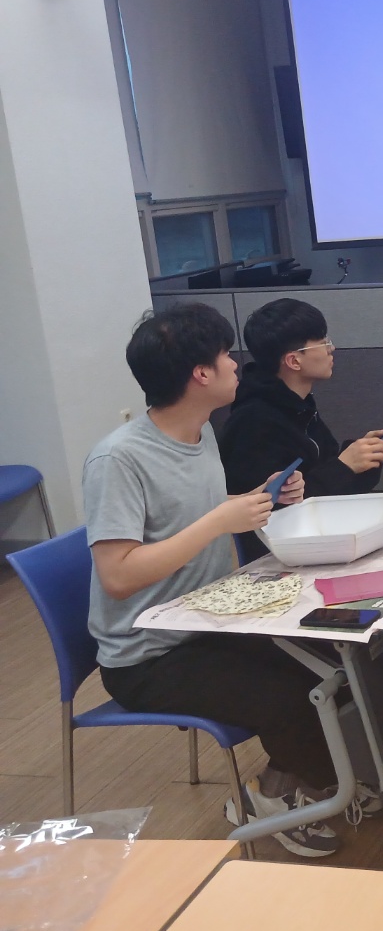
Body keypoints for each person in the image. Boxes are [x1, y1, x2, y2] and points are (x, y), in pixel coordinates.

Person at [84, 303, 344, 858]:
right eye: (226, 355)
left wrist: (256, 498)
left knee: (332, 656)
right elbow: (117, 575)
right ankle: (276, 800)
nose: (235, 365)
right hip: (149, 654)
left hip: (209, 617)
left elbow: (190, 513)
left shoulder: (199, 433)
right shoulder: (119, 459)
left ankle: (310, 781)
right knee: (292, 694)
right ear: (200, 374)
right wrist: (220, 520)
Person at [219, 298, 383, 561]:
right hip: (282, 558)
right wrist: (345, 466)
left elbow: (329, 479)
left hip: (325, 539)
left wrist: (363, 458)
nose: (332, 348)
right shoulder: (254, 422)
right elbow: (278, 511)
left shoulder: (297, 403)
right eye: (323, 342)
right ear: (294, 360)